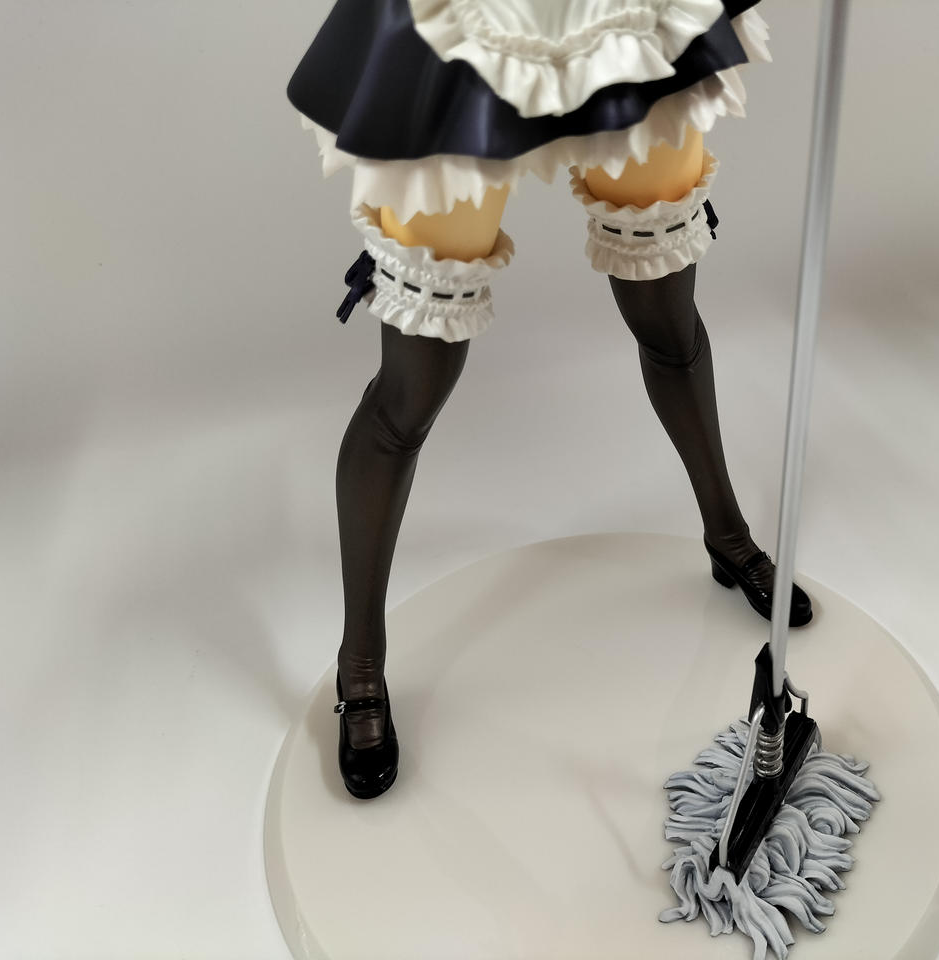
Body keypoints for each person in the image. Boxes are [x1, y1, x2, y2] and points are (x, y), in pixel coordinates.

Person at [287, 0, 814, 801]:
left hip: (616, 19)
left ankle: (728, 535)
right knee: (413, 387)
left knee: (667, 316)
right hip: (468, 31)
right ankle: (360, 661)